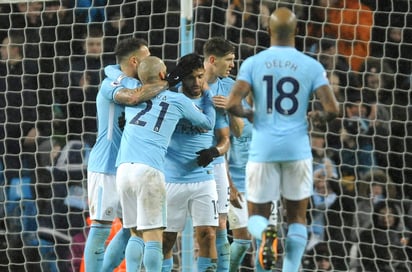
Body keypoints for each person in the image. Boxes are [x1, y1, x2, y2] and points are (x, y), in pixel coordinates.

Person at [226, 7, 339, 272]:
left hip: (263, 149)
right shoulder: (311, 65)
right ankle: (290, 269)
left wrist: (250, 113)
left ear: (268, 31)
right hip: (297, 148)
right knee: (298, 218)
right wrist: (319, 117)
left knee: (257, 218)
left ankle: (265, 234)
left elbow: (232, 103)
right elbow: (333, 109)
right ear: (297, 31)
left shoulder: (253, 63)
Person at [115, 56, 215, 272]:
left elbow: (112, 74)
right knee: (153, 236)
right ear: (163, 75)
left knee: (134, 232)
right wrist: (207, 94)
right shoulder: (177, 100)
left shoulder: (132, 95)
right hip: (149, 170)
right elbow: (207, 124)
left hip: (122, 169)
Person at [83, 38, 168, 272]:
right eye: (147, 56)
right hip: (105, 165)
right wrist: (170, 82)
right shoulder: (110, 84)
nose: (151, 61)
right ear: (134, 60)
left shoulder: (135, 84)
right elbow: (132, 97)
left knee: (133, 228)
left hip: (127, 167)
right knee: (100, 228)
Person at [161, 53, 218, 272]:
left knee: (208, 235)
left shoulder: (212, 100)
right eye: (191, 78)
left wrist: (214, 151)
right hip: (172, 178)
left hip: (203, 178)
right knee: (166, 239)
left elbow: (223, 137)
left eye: (200, 77)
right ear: (183, 78)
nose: (197, 83)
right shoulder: (170, 99)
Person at [201, 36, 236, 272]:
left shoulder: (229, 86)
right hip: (183, 163)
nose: (232, 64)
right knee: (169, 230)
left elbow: (236, 132)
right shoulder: (188, 81)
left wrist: (231, 107)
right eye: (229, 60)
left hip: (215, 161)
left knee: (221, 224)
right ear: (213, 60)